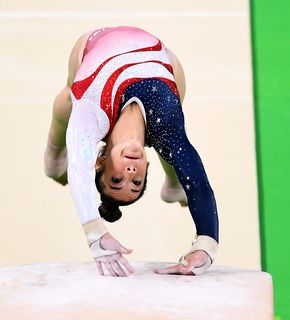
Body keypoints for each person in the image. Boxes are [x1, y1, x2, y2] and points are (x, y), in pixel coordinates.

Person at [44, 26, 219, 277]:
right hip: (166, 66)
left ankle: (53, 155)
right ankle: (174, 183)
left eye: (116, 180)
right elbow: (200, 184)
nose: (129, 172)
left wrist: (96, 233)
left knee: (69, 101)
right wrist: (206, 247)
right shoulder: (165, 118)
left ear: (99, 161)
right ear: (147, 167)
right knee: (170, 137)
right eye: (136, 181)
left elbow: (78, 171)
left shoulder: (91, 113)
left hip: (93, 44)